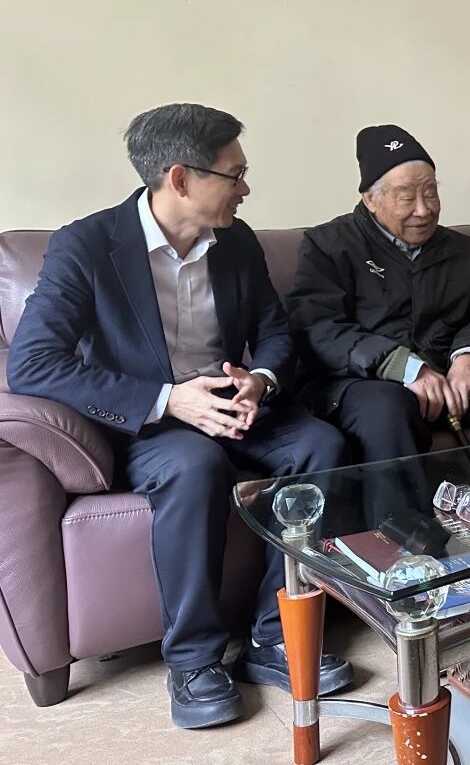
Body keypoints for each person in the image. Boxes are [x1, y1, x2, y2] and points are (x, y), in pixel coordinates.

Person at [6, 104, 352, 729]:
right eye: (235, 174)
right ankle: (193, 660)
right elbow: (33, 364)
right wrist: (168, 399)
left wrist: (260, 381)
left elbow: (275, 334)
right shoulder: (88, 245)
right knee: (195, 465)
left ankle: (275, 636)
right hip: (150, 423)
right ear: (181, 178)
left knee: (322, 446)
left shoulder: (237, 241)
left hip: (233, 404)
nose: (246, 189)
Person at [287, 125, 470, 472]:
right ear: (371, 200)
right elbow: (318, 327)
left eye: (431, 193)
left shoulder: (461, 250)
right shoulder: (328, 245)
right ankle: (402, 510)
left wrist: (468, 358)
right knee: (386, 406)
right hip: (365, 383)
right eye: (407, 197)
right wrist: (405, 368)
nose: (424, 209)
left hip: (448, 380)